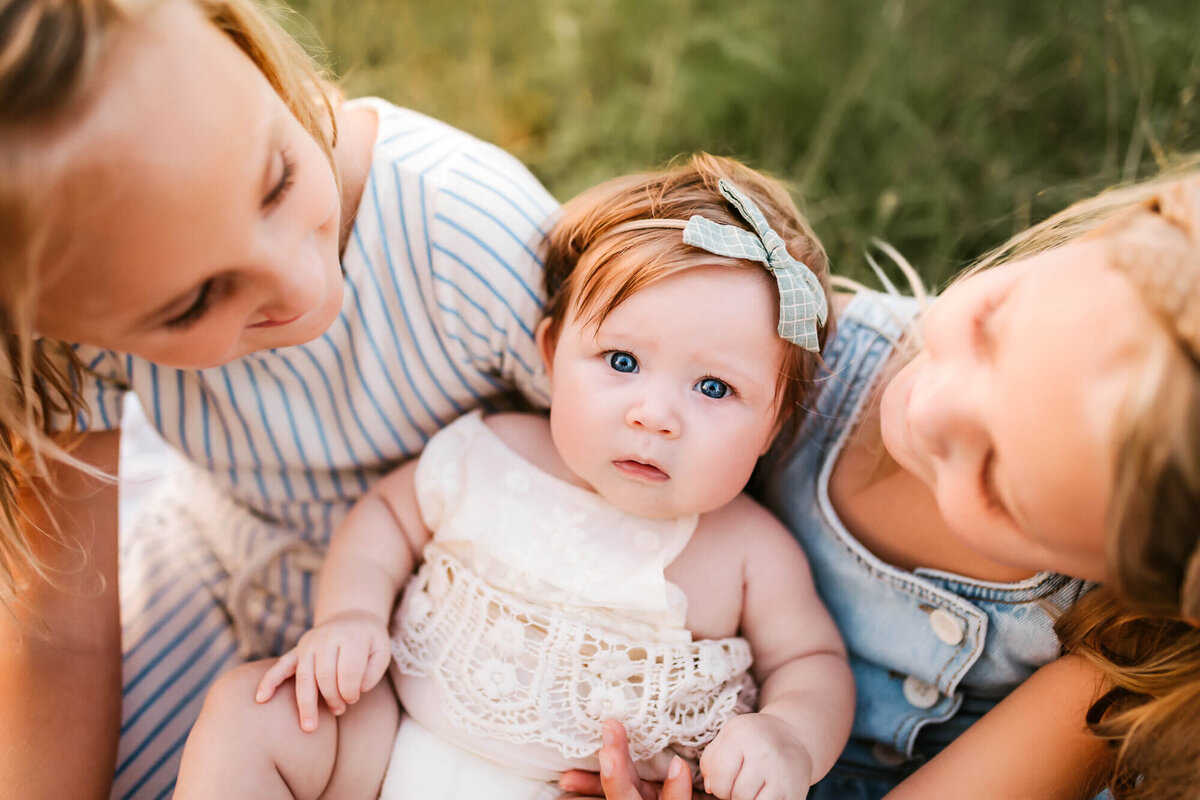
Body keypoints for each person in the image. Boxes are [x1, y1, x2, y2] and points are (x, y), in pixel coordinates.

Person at [0, 0, 560, 797]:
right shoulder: (58, 324)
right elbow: (59, 635)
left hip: (477, 635)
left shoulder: (469, 235)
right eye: (193, 303)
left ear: (245, 48)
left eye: (279, 181)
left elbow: (661, 485)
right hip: (231, 580)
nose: (301, 287)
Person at [174, 156, 855, 800]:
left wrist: (789, 736)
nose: (655, 415)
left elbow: (812, 662)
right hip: (385, 746)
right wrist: (350, 616)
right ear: (553, 354)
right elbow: (384, 516)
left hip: (578, 786)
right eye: (621, 362)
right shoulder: (491, 452)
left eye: (714, 387)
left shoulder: (748, 551)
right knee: (251, 708)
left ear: (773, 425)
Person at [572, 172, 1200, 800]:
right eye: (991, 331)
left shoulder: (1126, 646)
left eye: (992, 476)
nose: (927, 410)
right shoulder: (790, 354)